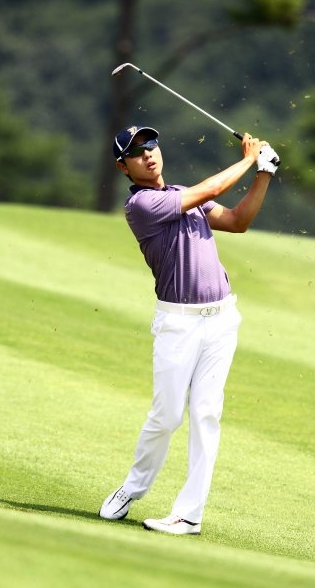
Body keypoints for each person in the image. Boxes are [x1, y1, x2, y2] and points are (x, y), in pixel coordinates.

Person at [99, 124, 280, 535]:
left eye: (151, 145)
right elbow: (209, 190)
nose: (148, 154)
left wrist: (263, 175)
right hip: (178, 323)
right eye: (136, 152)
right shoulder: (142, 205)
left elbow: (237, 221)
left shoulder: (183, 194)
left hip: (222, 319)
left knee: (206, 414)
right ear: (123, 167)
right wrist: (249, 159)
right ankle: (132, 488)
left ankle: (189, 514)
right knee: (166, 417)